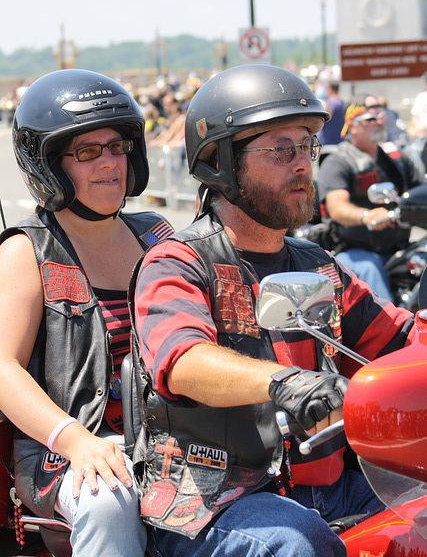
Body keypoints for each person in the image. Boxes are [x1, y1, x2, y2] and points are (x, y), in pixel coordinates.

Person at [129, 64, 416, 557]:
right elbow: (182, 361)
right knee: (295, 545)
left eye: (307, 146)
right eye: (282, 150)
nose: (302, 164)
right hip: (216, 498)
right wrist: (285, 381)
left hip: (330, 487)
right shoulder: (177, 262)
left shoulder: (318, 264)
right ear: (222, 162)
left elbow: (397, 336)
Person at [0, 69, 174, 556]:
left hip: (171, 439)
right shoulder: (27, 250)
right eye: (87, 152)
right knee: (106, 498)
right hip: (69, 449)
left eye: (117, 147)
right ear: (49, 166)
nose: (110, 163)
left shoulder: (157, 236)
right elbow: (2, 367)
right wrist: (75, 439)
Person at [317, 102, 422, 302]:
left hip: (399, 248)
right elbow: (336, 207)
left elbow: (420, 191)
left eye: (381, 118)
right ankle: (391, 330)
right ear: (352, 126)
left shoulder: (396, 159)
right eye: (370, 120)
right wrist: (366, 216)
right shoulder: (338, 161)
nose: (378, 123)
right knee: (369, 269)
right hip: (354, 250)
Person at [317, 81, 345, 146]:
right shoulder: (340, 101)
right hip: (336, 141)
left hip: (329, 143)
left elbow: (327, 110)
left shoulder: (333, 101)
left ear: (329, 89)